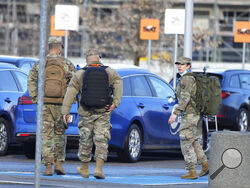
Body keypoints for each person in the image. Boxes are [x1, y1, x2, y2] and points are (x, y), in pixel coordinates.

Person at [61, 49, 123, 179]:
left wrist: (65, 112)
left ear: (86, 60)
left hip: (85, 111)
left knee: (85, 139)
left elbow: (70, 93)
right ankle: (98, 169)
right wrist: (115, 103)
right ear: (99, 58)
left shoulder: (80, 74)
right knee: (101, 140)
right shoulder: (109, 72)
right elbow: (119, 83)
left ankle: (84, 168)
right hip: (103, 111)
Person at [28, 36, 76, 176]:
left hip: (45, 104)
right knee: (60, 134)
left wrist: (36, 98)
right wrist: (70, 101)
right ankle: (59, 163)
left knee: (46, 135)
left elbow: (31, 80)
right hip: (62, 105)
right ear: (59, 47)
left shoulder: (40, 64)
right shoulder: (66, 64)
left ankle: (48, 166)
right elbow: (75, 83)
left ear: (49, 47)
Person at [168, 56, 209, 179]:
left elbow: (185, 98)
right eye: (178, 64)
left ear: (188, 66)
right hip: (196, 114)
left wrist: (175, 113)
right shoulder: (191, 78)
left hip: (190, 114)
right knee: (194, 140)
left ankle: (192, 170)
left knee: (185, 140)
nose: (180, 66)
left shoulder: (186, 80)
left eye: (183, 64)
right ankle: (205, 164)